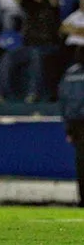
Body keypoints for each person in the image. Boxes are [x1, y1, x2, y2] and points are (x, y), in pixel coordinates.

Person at [59, 52, 84, 207]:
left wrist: (68, 128)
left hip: (76, 123)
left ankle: (83, 198)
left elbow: (64, 101)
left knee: (81, 162)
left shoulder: (70, 74)